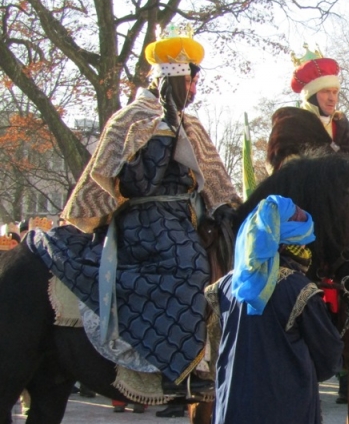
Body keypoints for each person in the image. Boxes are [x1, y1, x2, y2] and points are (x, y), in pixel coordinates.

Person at [24, 23, 239, 397]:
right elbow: (135, 185)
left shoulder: (192, 125)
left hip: (186, 216)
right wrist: (162, 137)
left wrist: (224, 211)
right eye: (190, 83)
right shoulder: (134, 119)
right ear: (172, 82)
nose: (193, 91)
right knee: (189, 264)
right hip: (145, 218)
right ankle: (183, 367)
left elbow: (215, 180)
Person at [210, 195, 342, 424]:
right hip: (286, 409)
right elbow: (328, 356)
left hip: (232, 409)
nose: (305, 247)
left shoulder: (226, 286)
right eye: (302, 240)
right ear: (289, 241)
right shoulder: (299, 290)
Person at [266, 44, 349, 171]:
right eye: (326, 91)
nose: (332, 98)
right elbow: (282, 173)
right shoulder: (289, 126)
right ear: (311, 96)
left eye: (335, 92)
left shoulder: (342, 127)